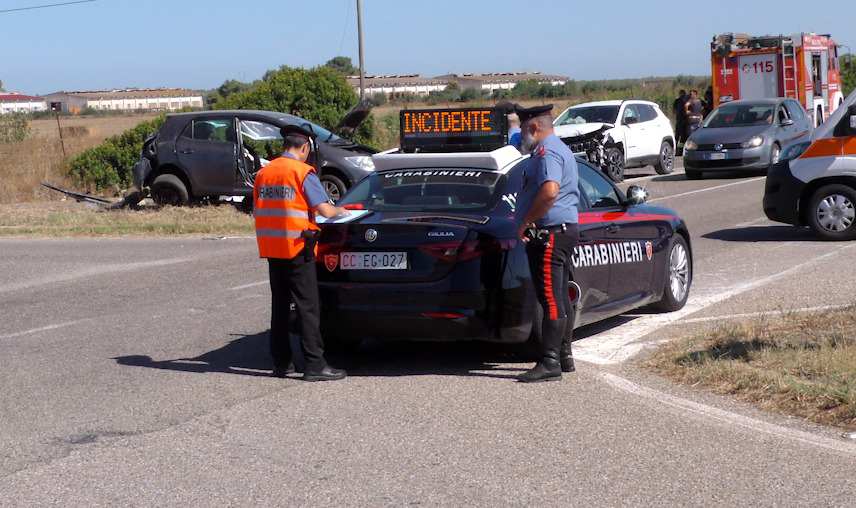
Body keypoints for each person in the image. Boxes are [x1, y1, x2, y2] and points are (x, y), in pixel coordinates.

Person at [253, 124, 349, 382]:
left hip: (273, 249)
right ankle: (315, 364)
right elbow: (325, 210)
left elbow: (260, 210)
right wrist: (342, 210)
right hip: (298, 247)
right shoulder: (302, 172)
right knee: (308, 308)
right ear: (305, 147)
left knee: (280, 307)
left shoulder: (264, 173)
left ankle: (281, 363)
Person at [513, 104, 581, 383]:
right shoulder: (558, 148)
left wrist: (526, 221)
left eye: (522, 129)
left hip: (550, 233)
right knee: (560, 296)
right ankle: (564, 355)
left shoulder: (547, 152)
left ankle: (550, 362)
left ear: (533, 127)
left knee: (551, 299)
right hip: (562, 231)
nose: (521, 135)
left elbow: (550, 191)